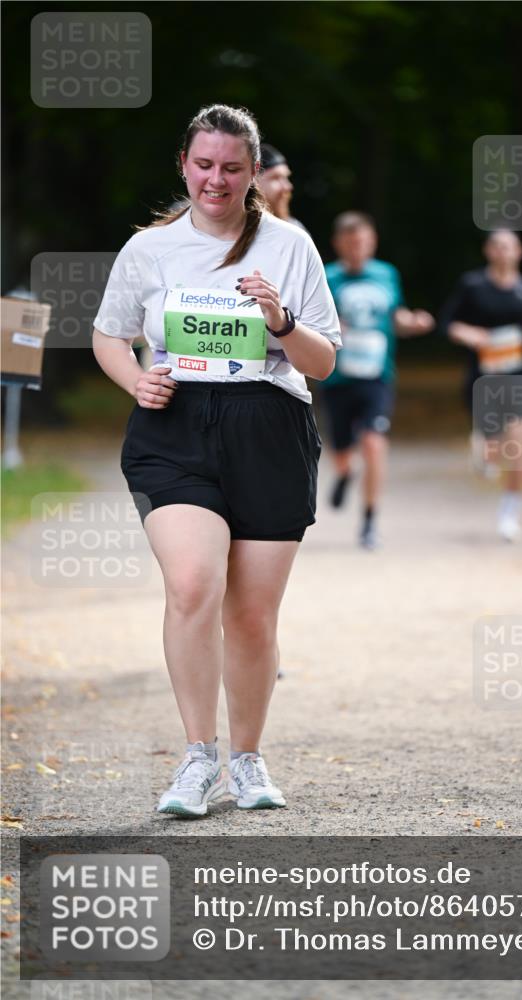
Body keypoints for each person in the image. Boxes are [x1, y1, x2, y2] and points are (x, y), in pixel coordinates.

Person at [92, 104, 341, 816]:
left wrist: (280, 321)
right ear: (184, 165)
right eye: (203, 165)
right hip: (174, 426)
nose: (216, 180)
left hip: (268, 425)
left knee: (253, 617)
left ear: (252, 171)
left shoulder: (289, 247)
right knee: (193, 585)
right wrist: (133, 378)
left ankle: (247, 760)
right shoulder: (149, 250)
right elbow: (109, 336)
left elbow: (322, 361)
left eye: (232, 168)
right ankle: (197, 758)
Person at [320, 212, 435, 548]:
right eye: (353, 243)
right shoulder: (328, 277)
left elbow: (395, 314)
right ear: (339, 244)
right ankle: (344, 473)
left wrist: (411, 321)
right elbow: (314, 318)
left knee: (374, 441)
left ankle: (369, 521)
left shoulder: (386, 275)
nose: (360, 249)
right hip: (337, 376)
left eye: (366, 242)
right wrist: (331, 328)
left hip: (377, 375)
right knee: (341, 450)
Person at [440, 229, 522, 541]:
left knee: (520, 445)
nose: (504, 252)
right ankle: (484, 451)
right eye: (498, 246)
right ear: (488, 251)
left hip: (519, 377)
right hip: (483, 379)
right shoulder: (473, 285)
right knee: (492, 450)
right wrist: (467, 333)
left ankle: (510, 514)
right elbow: (448, 322)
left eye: (509, 247)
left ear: (519, 251)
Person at [256, 143, 307, 231]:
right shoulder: (230, 231)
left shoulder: (295, 230)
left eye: (286, 177)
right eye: (275, 178)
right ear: (252, 183)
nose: (287, 187)